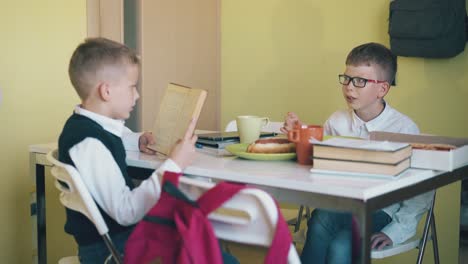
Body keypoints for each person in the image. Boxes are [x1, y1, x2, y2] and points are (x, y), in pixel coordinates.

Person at [59, 37, 236, 263]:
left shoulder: (86, 128)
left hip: (118, 242)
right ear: (106, 91)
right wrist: (174, 164)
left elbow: (109, 143)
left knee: (204, 246)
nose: (137, 95)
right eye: (132, 87)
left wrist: (136, 141)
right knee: (217, 257)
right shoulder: (88, 143)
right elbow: (126, 211)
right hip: (112, 252)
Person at [281, 42, 434, 264]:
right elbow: (317, 163)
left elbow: (420, 192)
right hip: (342, 205)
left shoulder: (404, 129)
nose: (349, 87)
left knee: (341, 245)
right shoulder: (337, 121)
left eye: (360, 81)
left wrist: (395, 231)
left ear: (382, 88)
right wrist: (300, 135)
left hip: (381, 211)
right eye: (346, 78)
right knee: (320, 219)